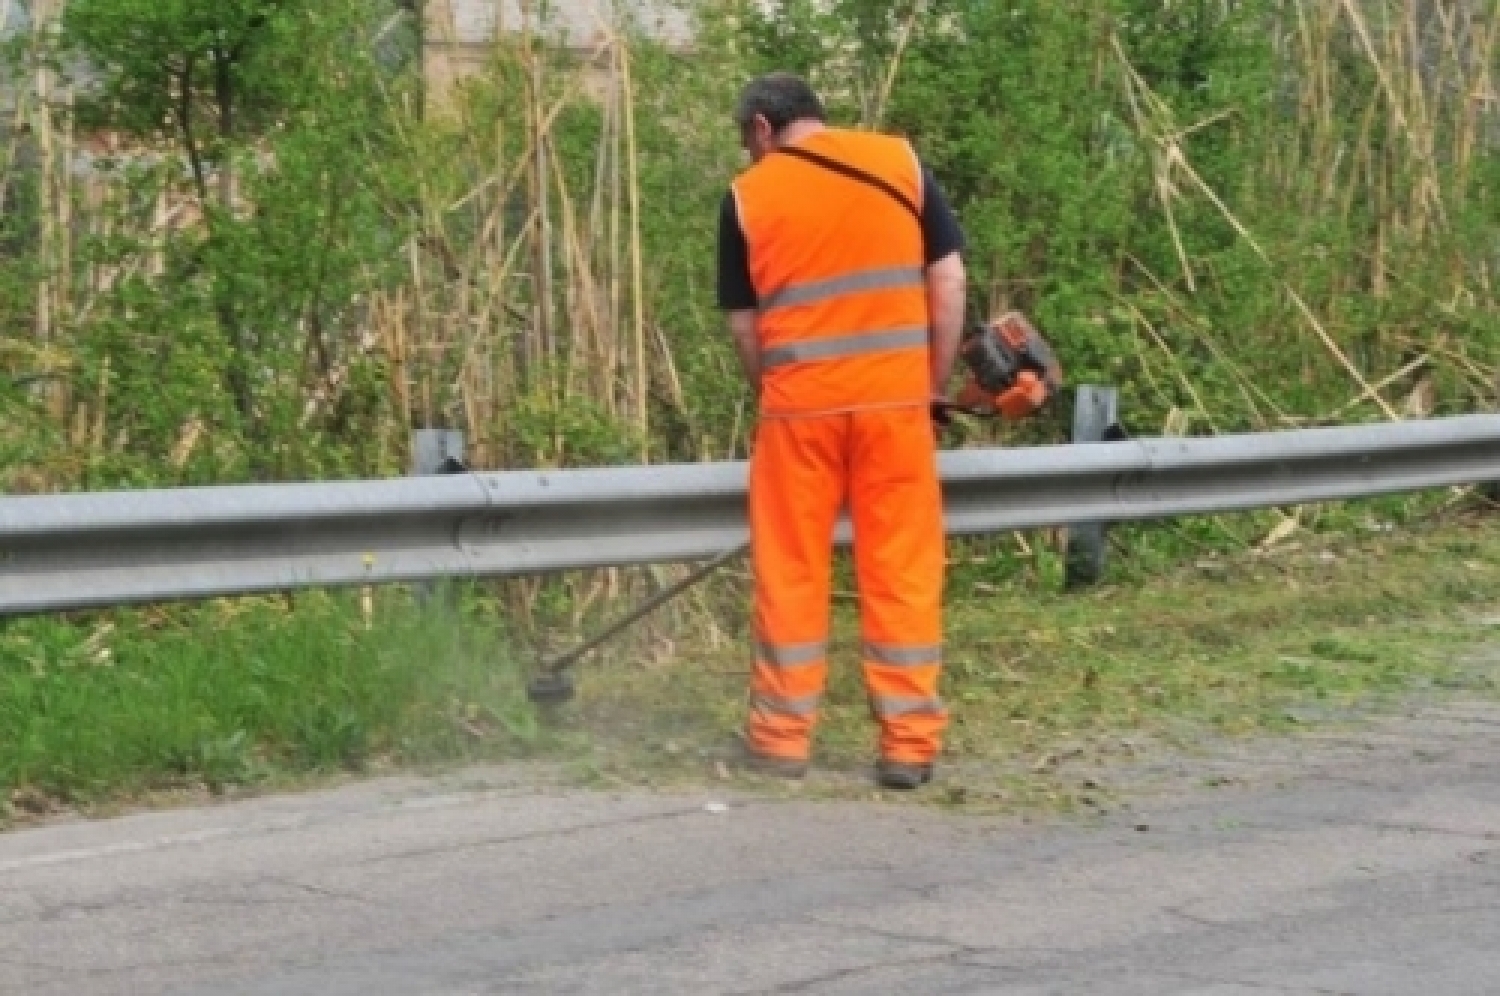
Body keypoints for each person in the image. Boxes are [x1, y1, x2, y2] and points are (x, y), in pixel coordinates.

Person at [716, 72, 968, 790]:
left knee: (791, 568)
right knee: (902, 568)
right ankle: (908, 744)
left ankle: (780, 740)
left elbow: (744, 325)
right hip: (894, 408)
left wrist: (779, 388)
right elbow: (948, 283)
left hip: (800, 413)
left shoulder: (746, 198)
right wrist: (930, 387)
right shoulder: (900, 162)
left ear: (762, 129)